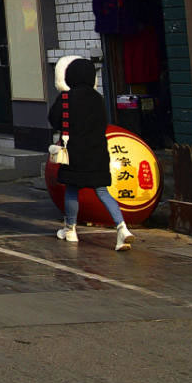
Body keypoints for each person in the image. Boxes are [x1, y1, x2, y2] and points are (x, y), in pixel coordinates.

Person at [48, 56, 134, 251]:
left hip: (74, 152)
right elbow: (102, 124)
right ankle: (122, 227)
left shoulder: (66, 98)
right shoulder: (98, 99)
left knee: (72, 189)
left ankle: (70, 230)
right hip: (97, 152)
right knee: (102, 191)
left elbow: (54, 120)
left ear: (70, 76)